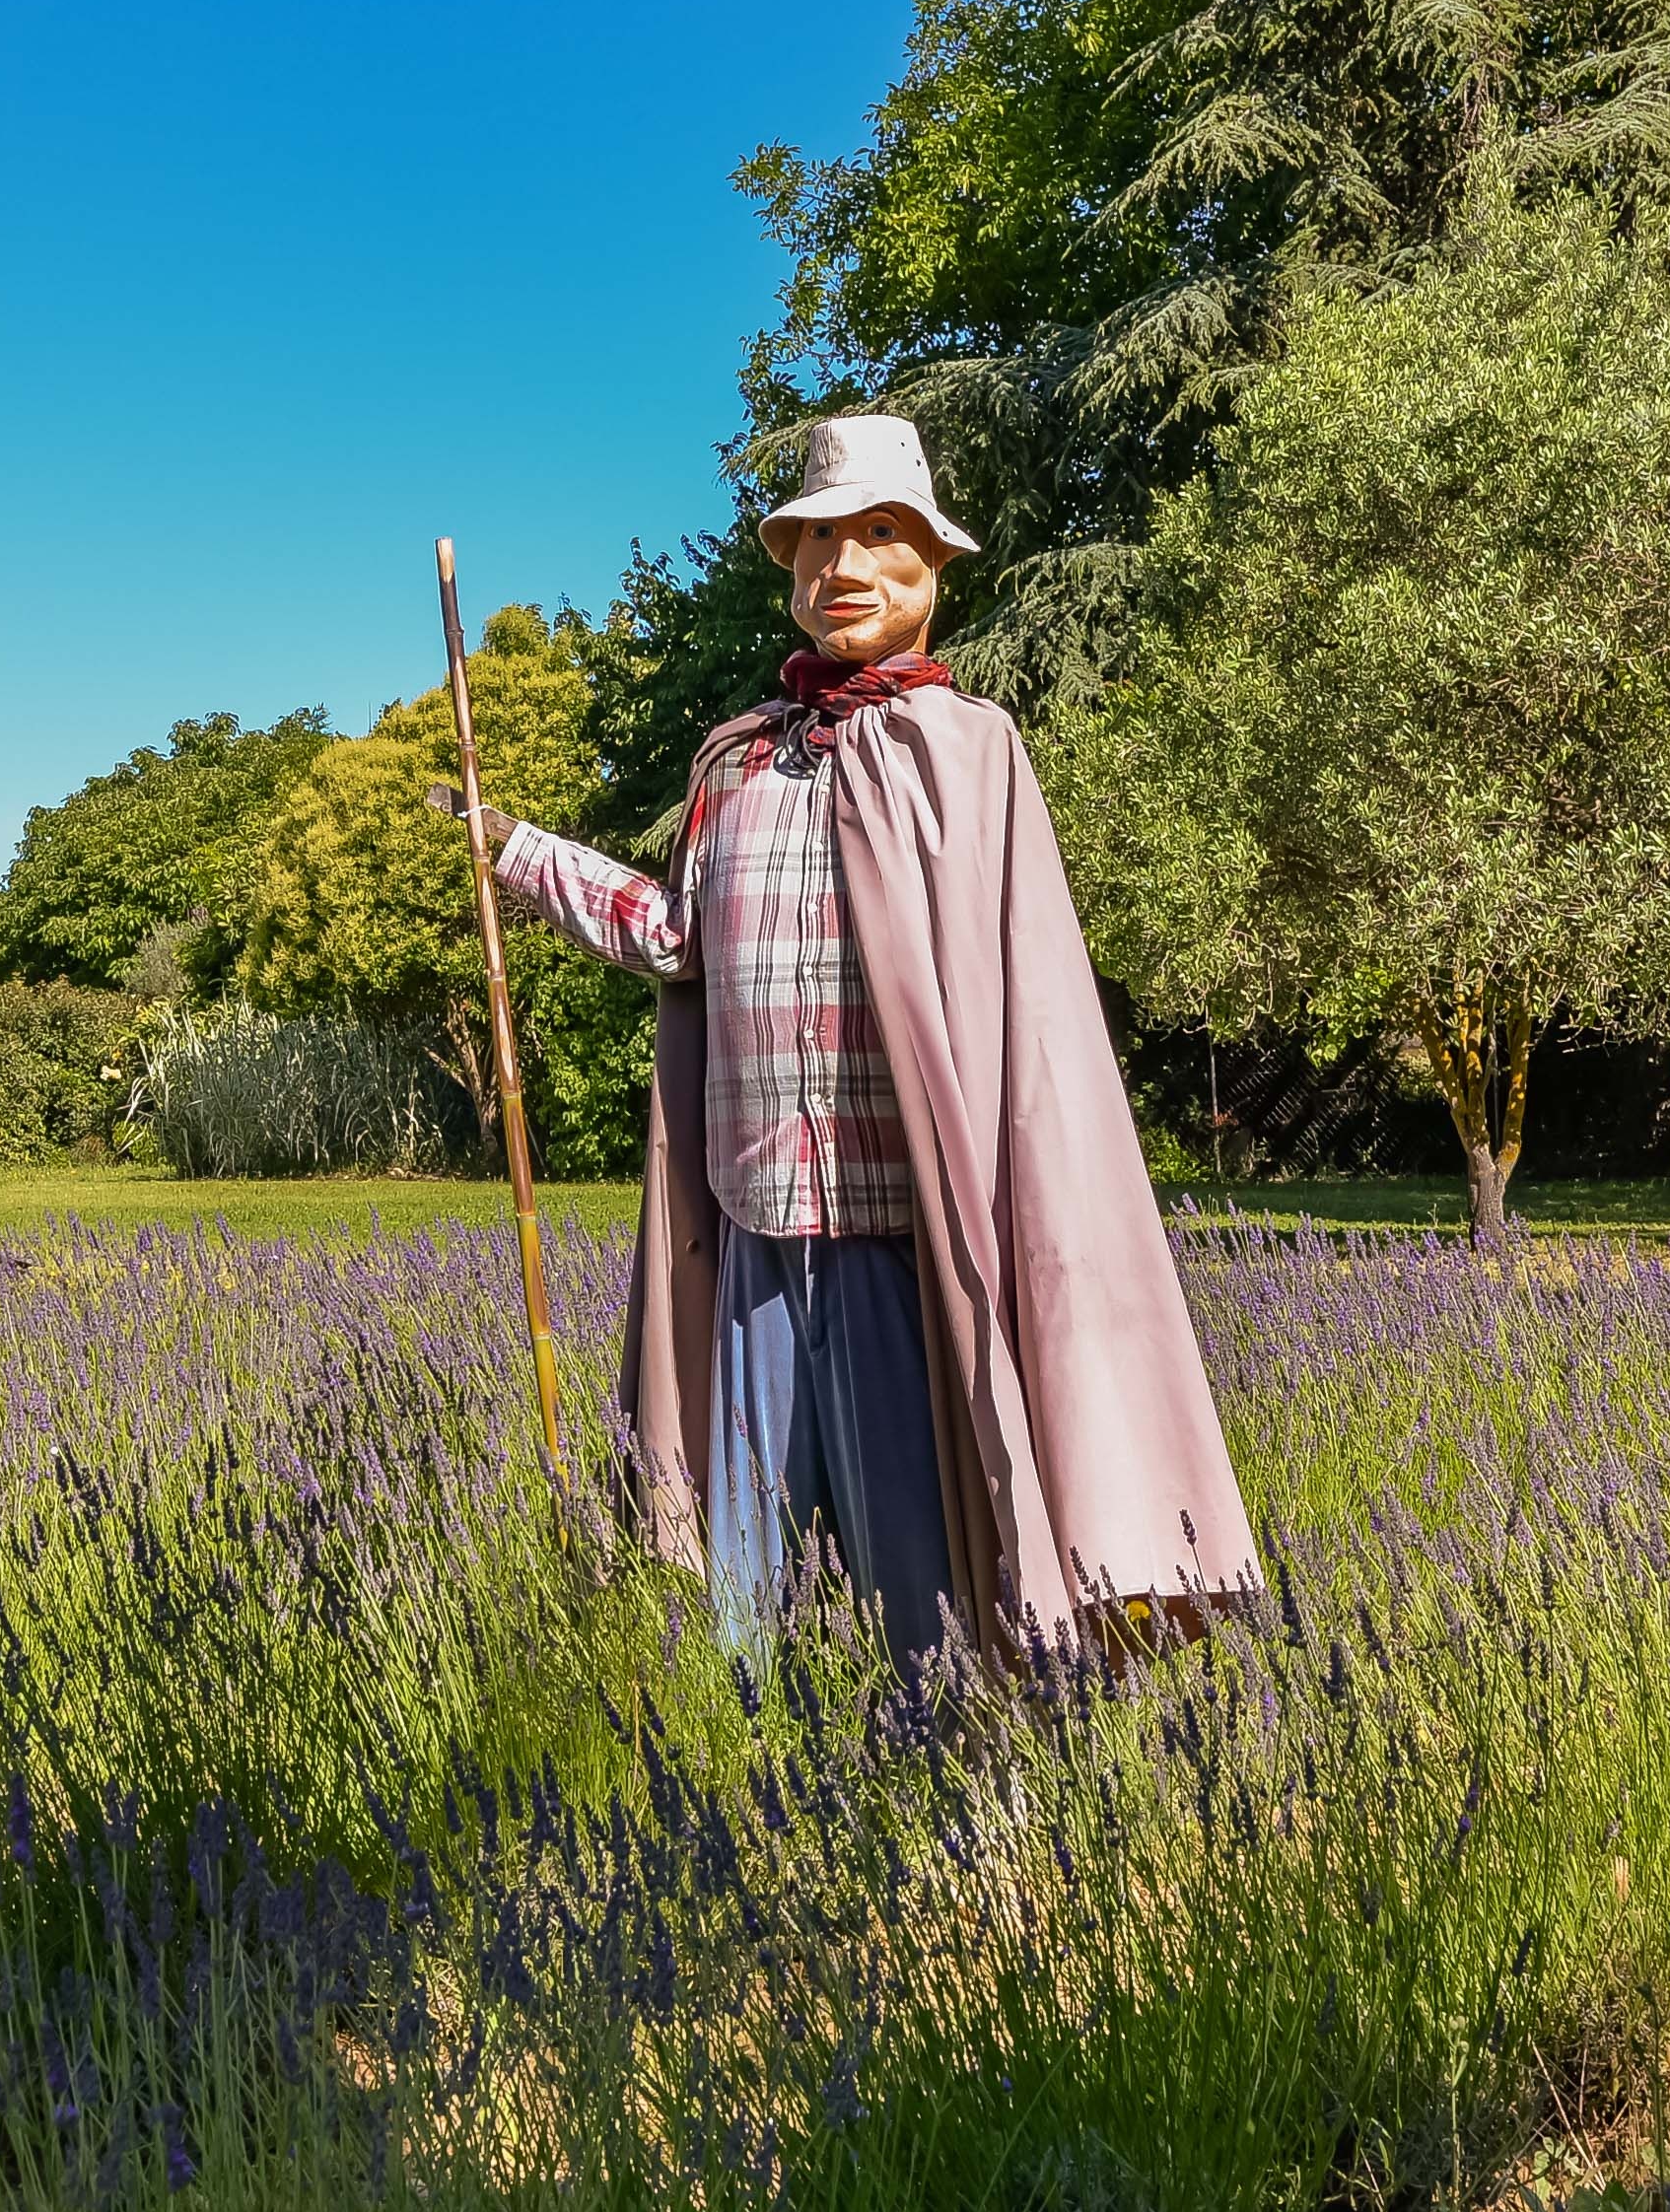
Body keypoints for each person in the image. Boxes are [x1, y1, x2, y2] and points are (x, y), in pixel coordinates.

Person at [446, 413, 1257, 1669]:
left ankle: (953, 1791)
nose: (845, 566)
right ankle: (762, 1790)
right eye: (818, 538)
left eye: (880, 535)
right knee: (751, 1585)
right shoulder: (737, 762)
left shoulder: (969, 749)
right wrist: (517, 849)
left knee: (917, 1578)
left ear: (935, 566)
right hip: (759, 1224)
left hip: (901, 1239)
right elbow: (677, 937)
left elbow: (1022, 1000)